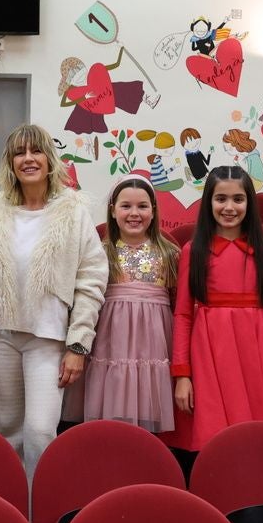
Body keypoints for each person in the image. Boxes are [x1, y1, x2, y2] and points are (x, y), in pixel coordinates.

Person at [0, 122, 107, 475]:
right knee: (6, 432)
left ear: (50, 160)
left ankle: (40, 521)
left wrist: (78, 345)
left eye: (36, 151)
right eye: (19, 153)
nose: (28, 158)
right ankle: (11, 516)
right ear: (10, 163)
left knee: (39, 431)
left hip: (49, 340)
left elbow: (92, 280)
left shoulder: (73, 212)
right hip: (1, 336)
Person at [168, 167, 263, 450]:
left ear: (249, 204)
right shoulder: (193, 250)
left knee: (255, 441)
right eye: (221, 199)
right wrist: (182, 375)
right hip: (209, 355)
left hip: (256, 354)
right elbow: (182, 314)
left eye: (238, 199)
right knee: (214, 436)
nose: (229, 207)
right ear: (209, 202)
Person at [81, 178, 178, 434]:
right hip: (113, 340)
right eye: (126, 206)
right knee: (115, 407)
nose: (134, 213)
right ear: (113, 210)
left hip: (155, 342)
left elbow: (180, 304)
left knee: (148, 398)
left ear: (154, 210)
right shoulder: (99, 253)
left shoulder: (170, 254)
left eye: (142, 206)